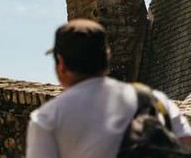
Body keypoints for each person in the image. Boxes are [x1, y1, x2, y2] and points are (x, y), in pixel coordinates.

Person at [26, 19, 191, 157]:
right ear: (106, 58)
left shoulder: (48, 119)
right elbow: (186, 144)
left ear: (61, 64)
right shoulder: (154, 100)